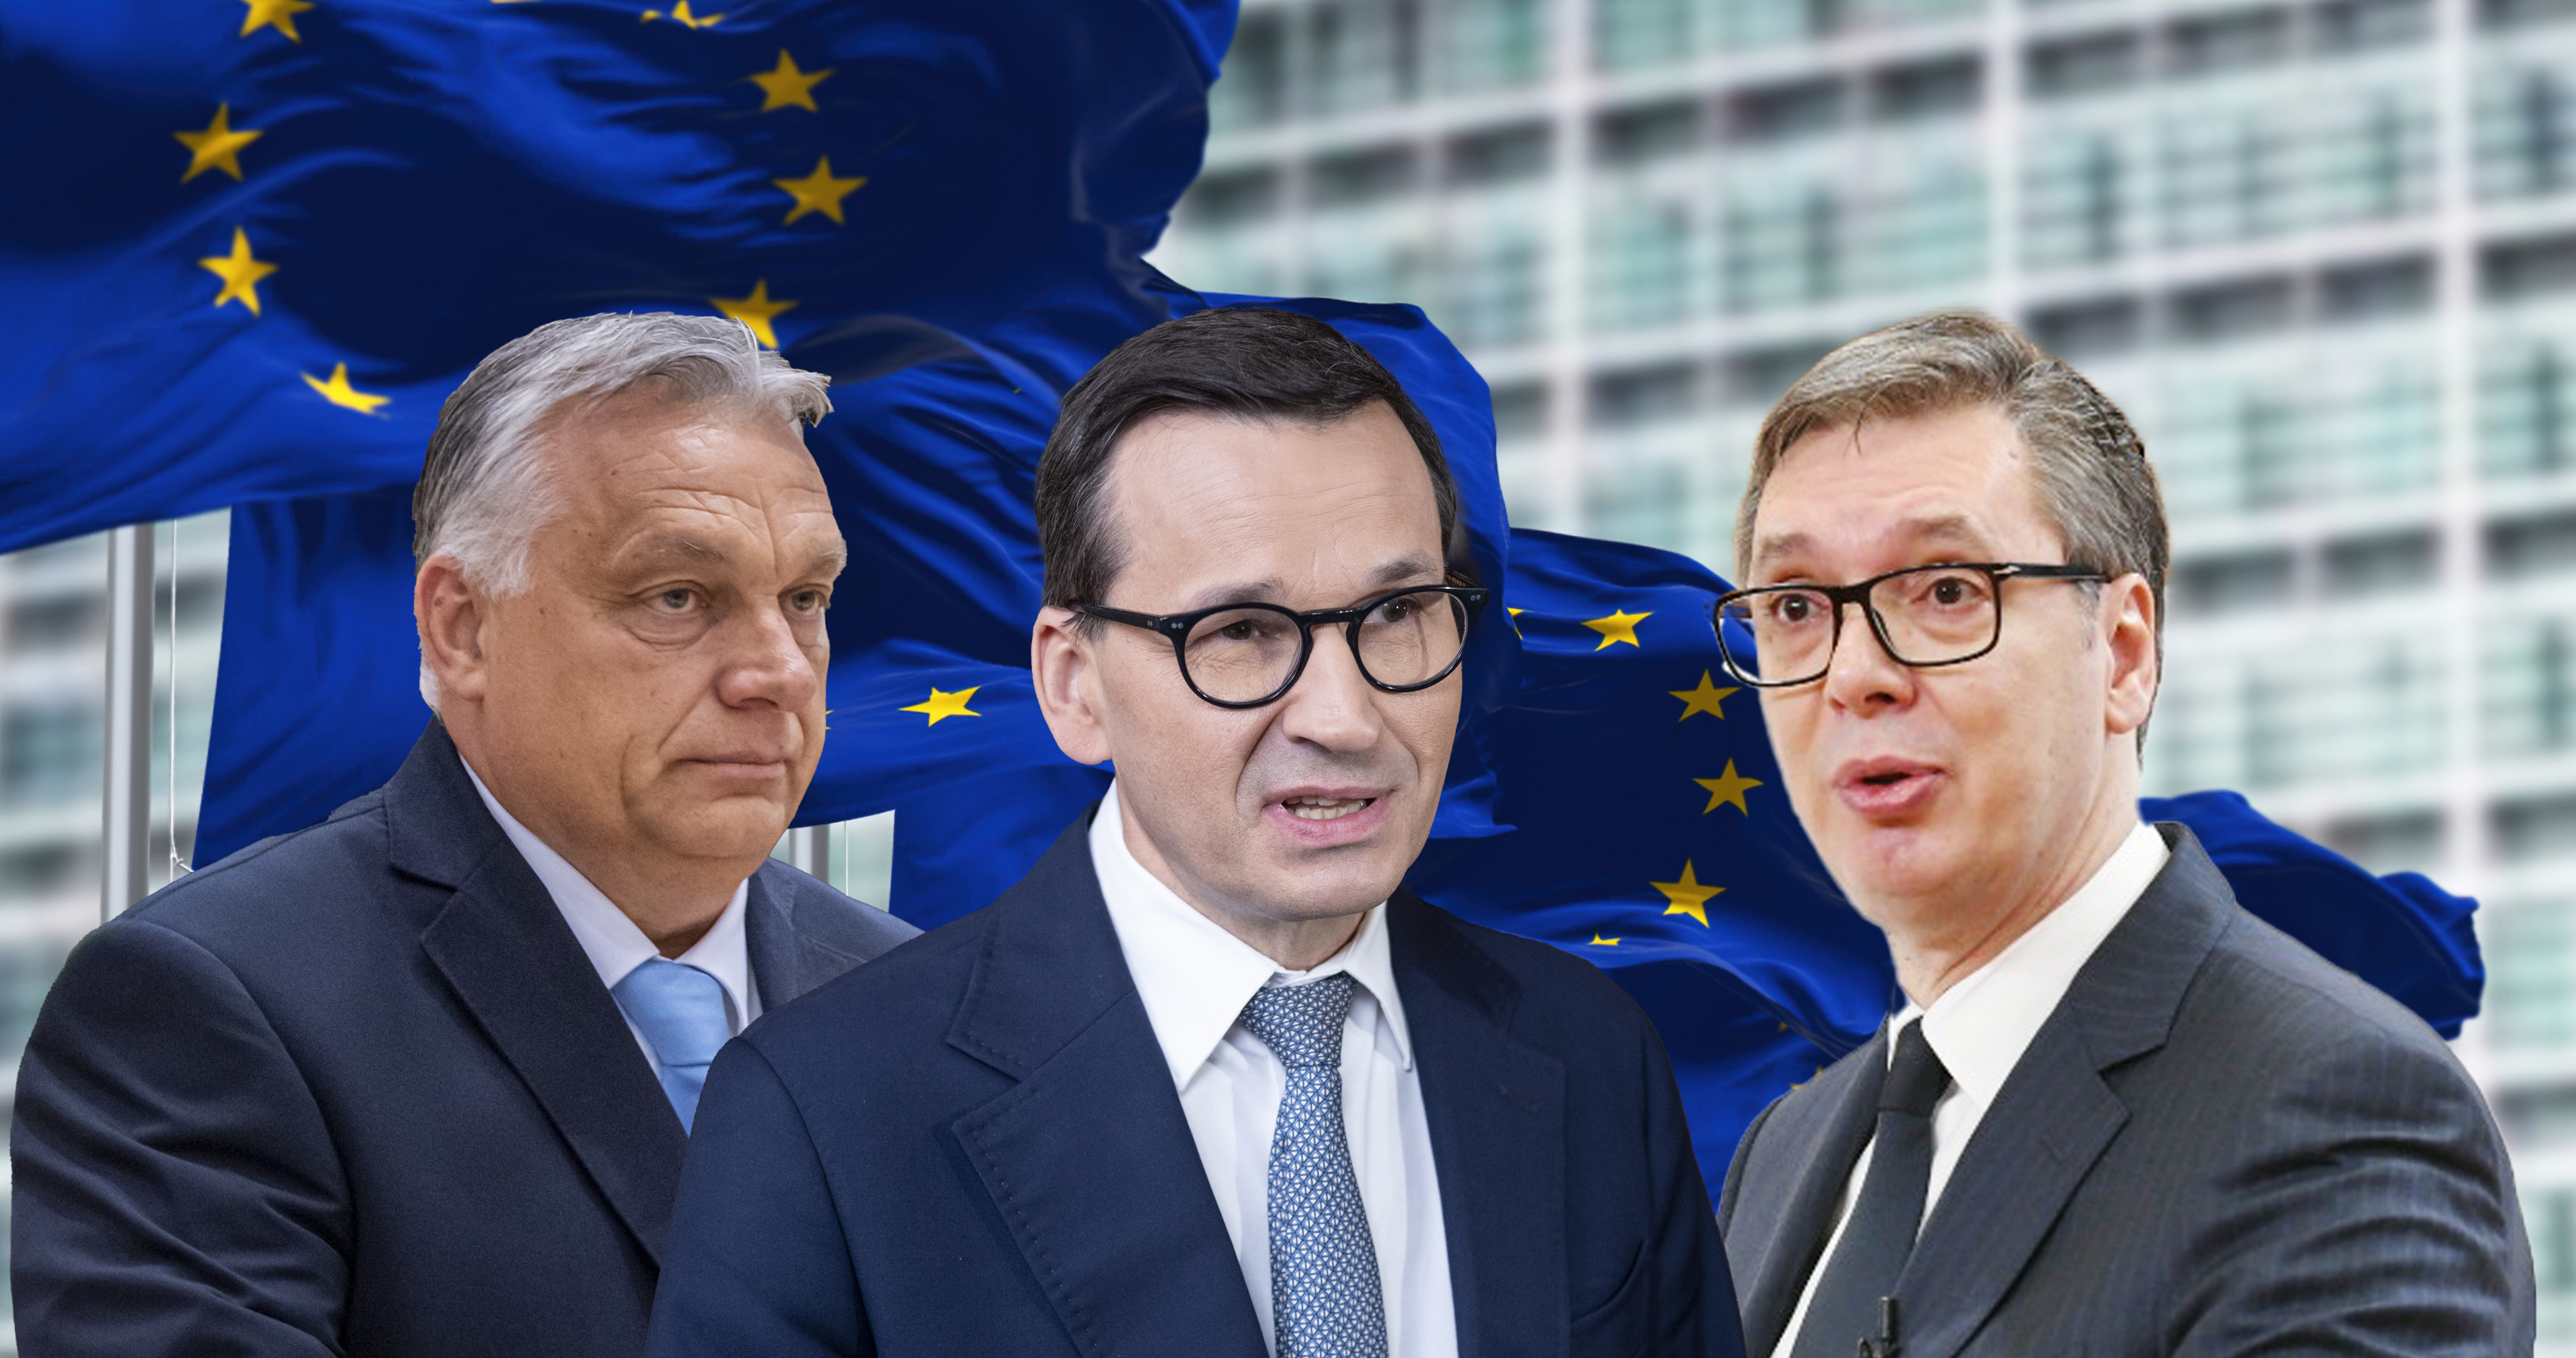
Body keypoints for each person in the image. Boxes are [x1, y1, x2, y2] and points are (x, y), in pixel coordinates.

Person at [644, 306, 1743, 1358]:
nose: (1344, 716)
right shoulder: (822, 1114)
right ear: (1073, 685)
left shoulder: (1590, 1055)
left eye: (1396, 617)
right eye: (1241, 633)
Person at [11, 313, 917, 1357]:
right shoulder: (210, 1004)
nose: (780, 673)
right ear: (463, 627)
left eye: (804, 598)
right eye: (678, 596)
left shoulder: (915, 1001)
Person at [1712, 311, 2531, 1357]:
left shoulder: (2337, 1110)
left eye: (1948, 591)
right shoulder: (1784, 1154)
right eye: (1793, 605)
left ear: (2124, 652)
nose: (1853, 673)